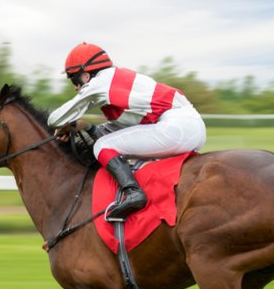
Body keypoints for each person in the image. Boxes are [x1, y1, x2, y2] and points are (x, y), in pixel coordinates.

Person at [47, 42, 207, 221]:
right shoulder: (117, 83)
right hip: (191, 127)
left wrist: (67, 123)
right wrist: (84, 126)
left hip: (177, 127)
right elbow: (116, 133)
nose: (76, 87)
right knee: (109, 144)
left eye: (73, 79)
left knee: (102, 146)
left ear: (85, 75)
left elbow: (54, 119)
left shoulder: (100, 83)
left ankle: (134, 193)